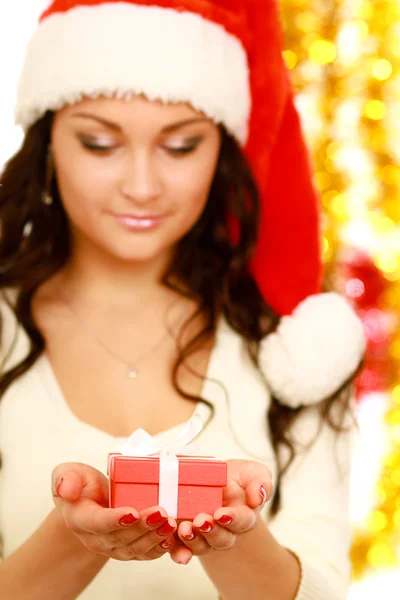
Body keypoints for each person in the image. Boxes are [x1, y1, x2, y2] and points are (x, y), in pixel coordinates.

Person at [0, 0, 366, 598]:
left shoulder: (294, 344)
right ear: (45, 142)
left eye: (180, 147)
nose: (140, 187)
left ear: (221, 148)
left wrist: (236, 538)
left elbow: (323, 584)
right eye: (98, 143)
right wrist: (72, 541)